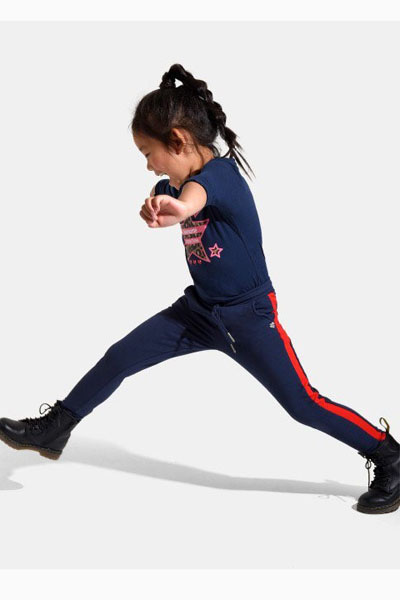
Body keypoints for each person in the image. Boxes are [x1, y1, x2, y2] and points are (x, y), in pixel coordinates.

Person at [0, 63, 398, 515]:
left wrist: (179, 207)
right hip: (198, 313)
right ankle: (57, 427)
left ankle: (389, 455)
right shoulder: (173, 183)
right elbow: (172, 196)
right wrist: (157, 205)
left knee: (302, 403)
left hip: (249, 317)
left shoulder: (220, 176)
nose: (149, 164)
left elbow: (196, 197)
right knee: (120, 356)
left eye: (148, 152)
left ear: (178, 140)